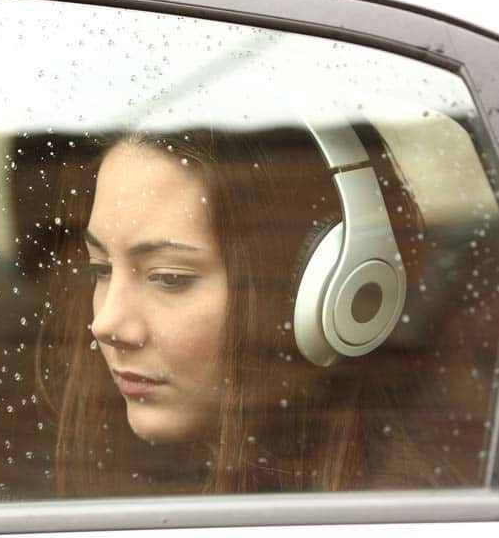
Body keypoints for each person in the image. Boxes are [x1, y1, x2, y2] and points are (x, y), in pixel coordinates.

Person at [34, 124, 484, 497]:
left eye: (170, 277)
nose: (105, 323)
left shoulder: (396, 512)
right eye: (101, 268)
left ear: (325, 293)